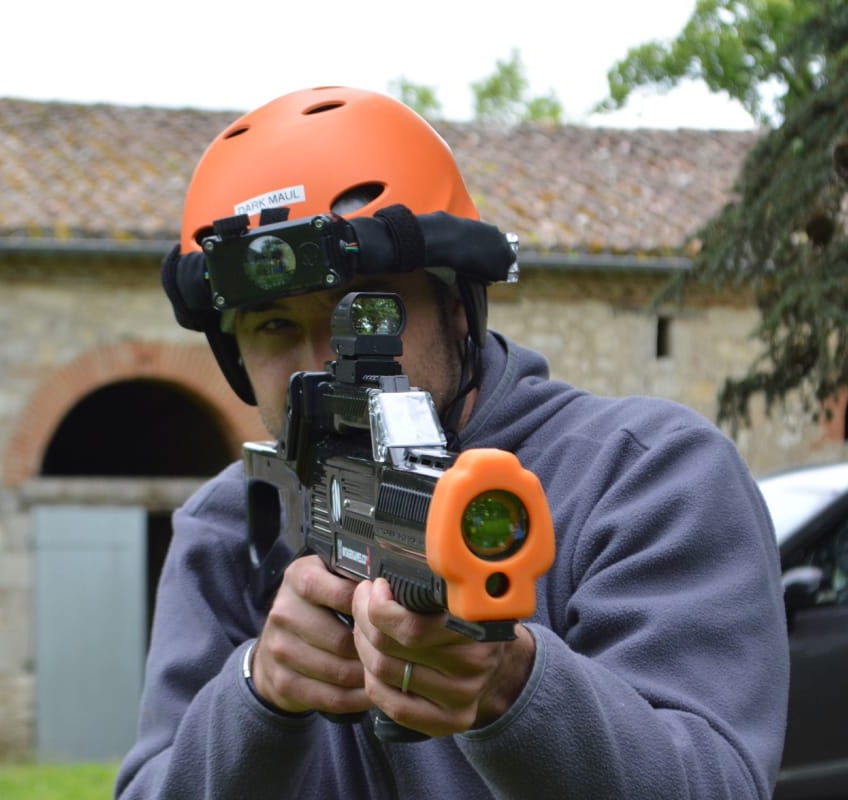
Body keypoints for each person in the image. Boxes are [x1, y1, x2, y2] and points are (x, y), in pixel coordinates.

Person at [115, 86, 789, 799]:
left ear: (457, 308)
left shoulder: (645, 473)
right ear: (235, 357)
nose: (322, 358)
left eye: (366, 309)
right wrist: (258, 696)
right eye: (273, 325)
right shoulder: (230, 523)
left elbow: (714, 783)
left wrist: (514, 691)